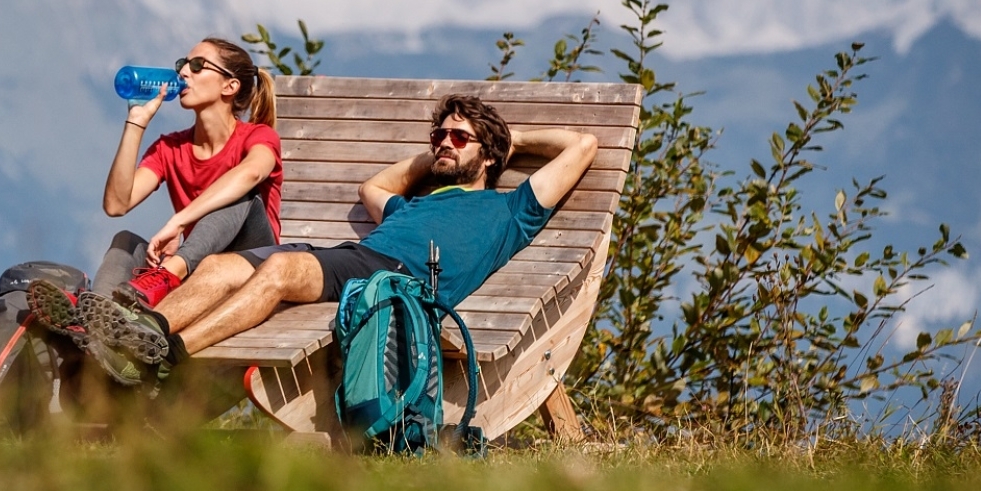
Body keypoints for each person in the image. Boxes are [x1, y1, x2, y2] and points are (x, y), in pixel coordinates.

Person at [75, 93, 598, 375]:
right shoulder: (413, 203)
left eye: (458, 138)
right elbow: (373, 186)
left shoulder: (509, 211)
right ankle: (133, 333)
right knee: (219, 267)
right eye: (438, 135)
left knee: (278, 268)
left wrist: (508, 137)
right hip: (357, 259)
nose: (443, 144)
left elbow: (583, 145)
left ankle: (169, 355)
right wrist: (442, 150)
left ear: (487, 154)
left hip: (400, 287)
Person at [28, 37, 283, 382]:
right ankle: (95, 321)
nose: (183, 73)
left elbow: (252, 172)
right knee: (124, 239)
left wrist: (179, 221)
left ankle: (162, 280)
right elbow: (117, 204)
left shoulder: (258, 136)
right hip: (200, 270)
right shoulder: (170, 147)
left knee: (240, 195)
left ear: (230, 85)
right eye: (182, 64)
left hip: (252, 267)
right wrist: (136, 121)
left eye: (196, 65)